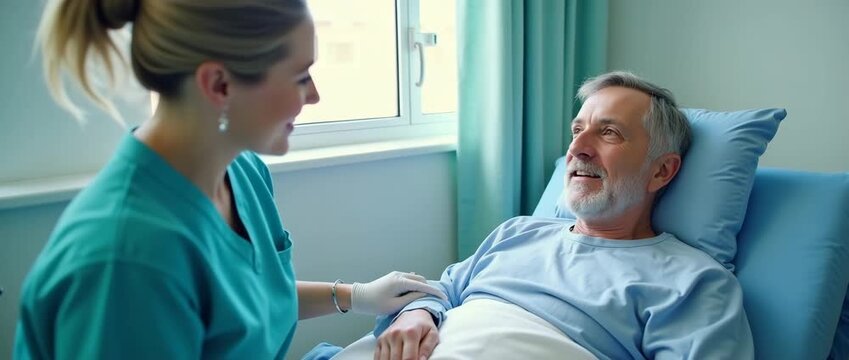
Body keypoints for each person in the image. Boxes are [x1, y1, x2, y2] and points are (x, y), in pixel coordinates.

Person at [14, 0, 445, 358]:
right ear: (219, 84)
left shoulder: (241, 170)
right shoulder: (128, 260)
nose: (314, 96)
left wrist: (356, 295)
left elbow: (243, 301)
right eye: (300, 77)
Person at [362, 72, 754, 360]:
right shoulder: (517, 232)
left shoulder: (692, 283)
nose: (577, 148)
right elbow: (443, 289)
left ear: (662, 171)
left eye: (609, 133)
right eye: (576, 130)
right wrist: (417, 313)